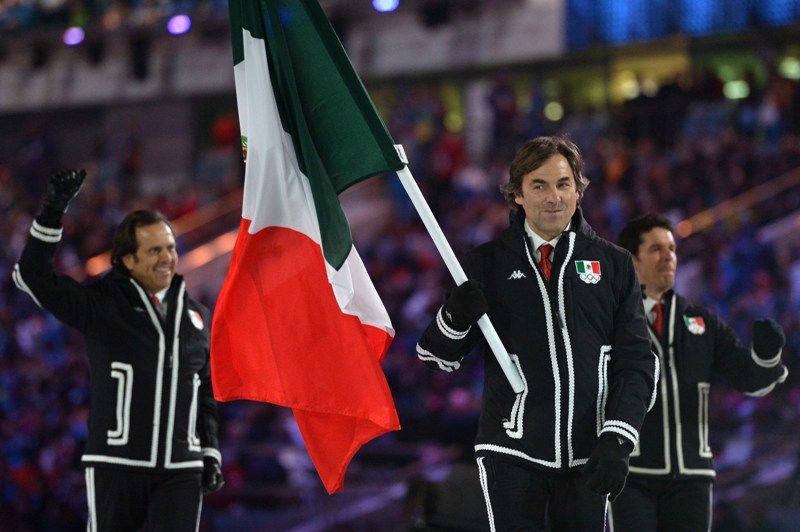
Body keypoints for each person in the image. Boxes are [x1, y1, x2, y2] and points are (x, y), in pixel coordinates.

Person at [416, 136, 659, 531]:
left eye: (563, 184)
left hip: (590, 453)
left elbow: (638, 361)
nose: (553, 197)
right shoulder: (485, 263)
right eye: (539, 185)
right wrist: (455, 317)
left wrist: (619, 437)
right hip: (510, 451)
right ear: (517, 195)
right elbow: (435, 357)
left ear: (579, 191)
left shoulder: (613, 265)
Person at [13, 169, 224, 531]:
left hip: (181, 469)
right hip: (117, 464)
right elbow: (32, 276)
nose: (167, 258)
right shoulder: (102, 306)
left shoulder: (196, 316)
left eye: (171, 248)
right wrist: (53, 209)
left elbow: (202, 391)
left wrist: (209, 451)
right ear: (127, 260)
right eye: (154, 250)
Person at [612, 213, 788, 532]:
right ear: (633, 262)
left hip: (691, 475)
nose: (668, 256)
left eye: (671, 248)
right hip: (633, 476)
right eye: (656, 249)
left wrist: (767, 355)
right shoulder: (609, 325)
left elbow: (749, 377)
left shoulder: (701, 322)